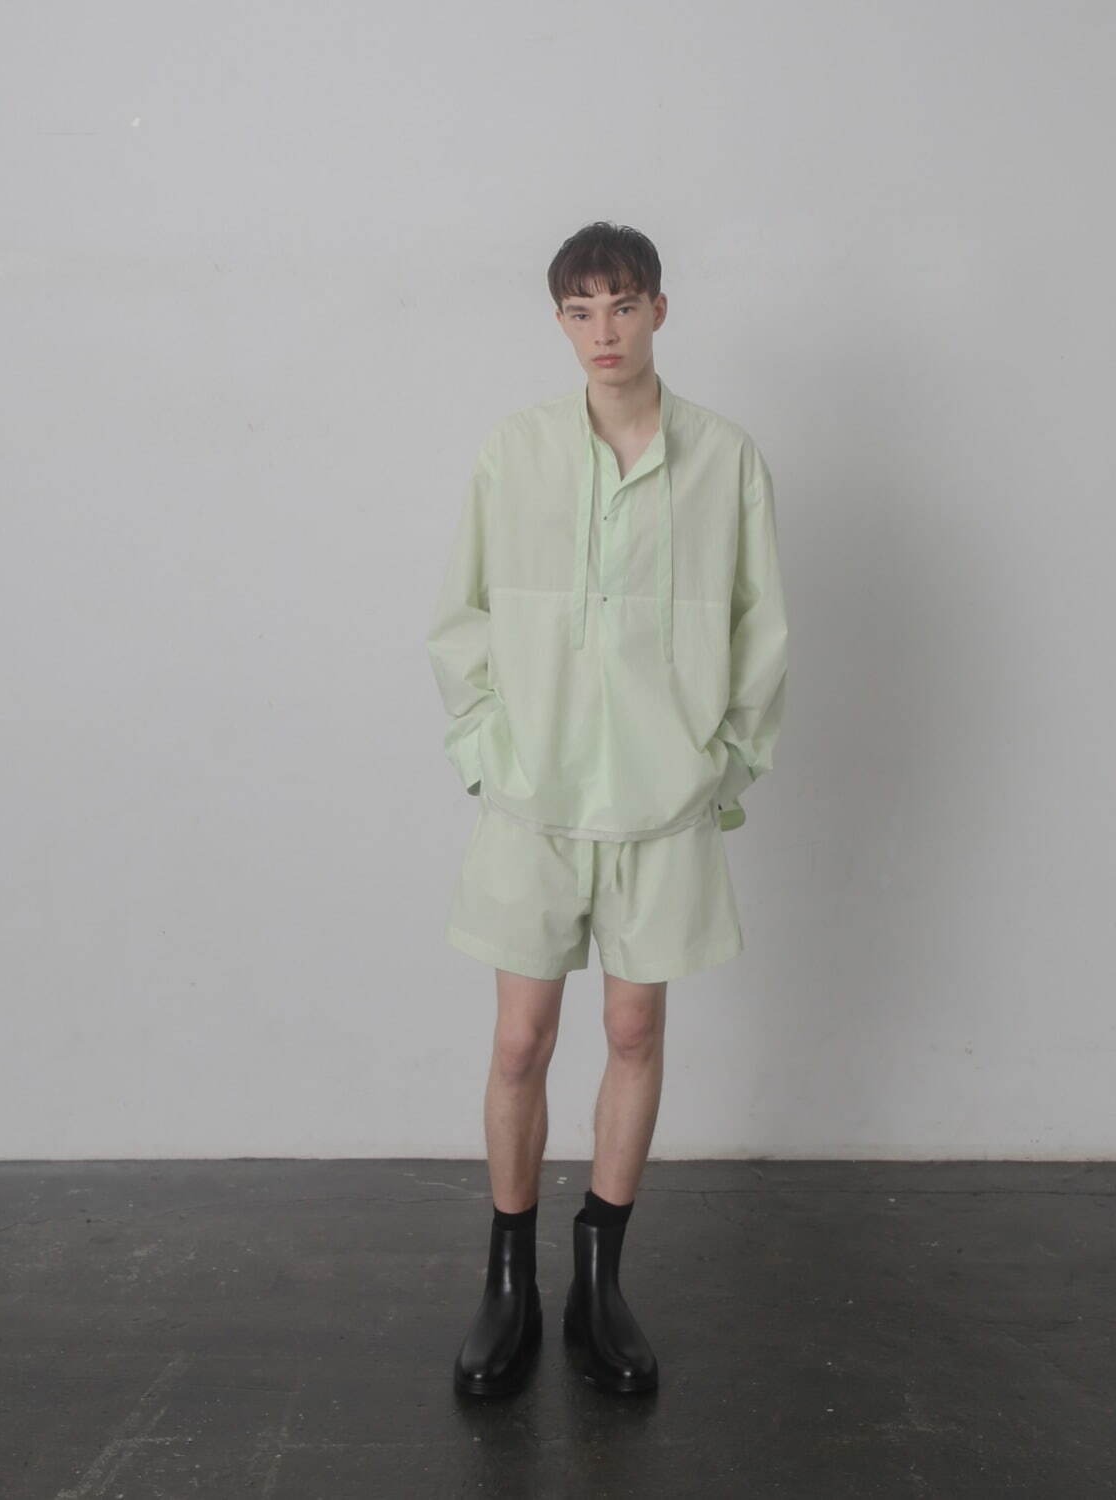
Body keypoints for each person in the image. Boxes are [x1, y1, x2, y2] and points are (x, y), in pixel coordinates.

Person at [425, 221, 789, 1397]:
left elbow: (760, 628)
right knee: (519, 1041)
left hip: (661, 807)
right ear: (559, 322)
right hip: (532, 802)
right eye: (580, 312)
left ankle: (599, 1279)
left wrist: (720, 767)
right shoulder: (516, 452)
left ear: (659, 311)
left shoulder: (724, 458)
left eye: (623, 306)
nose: (604, 332)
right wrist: (486, 754)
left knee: (634, 1033)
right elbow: (462, 617)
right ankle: (509, 1281)